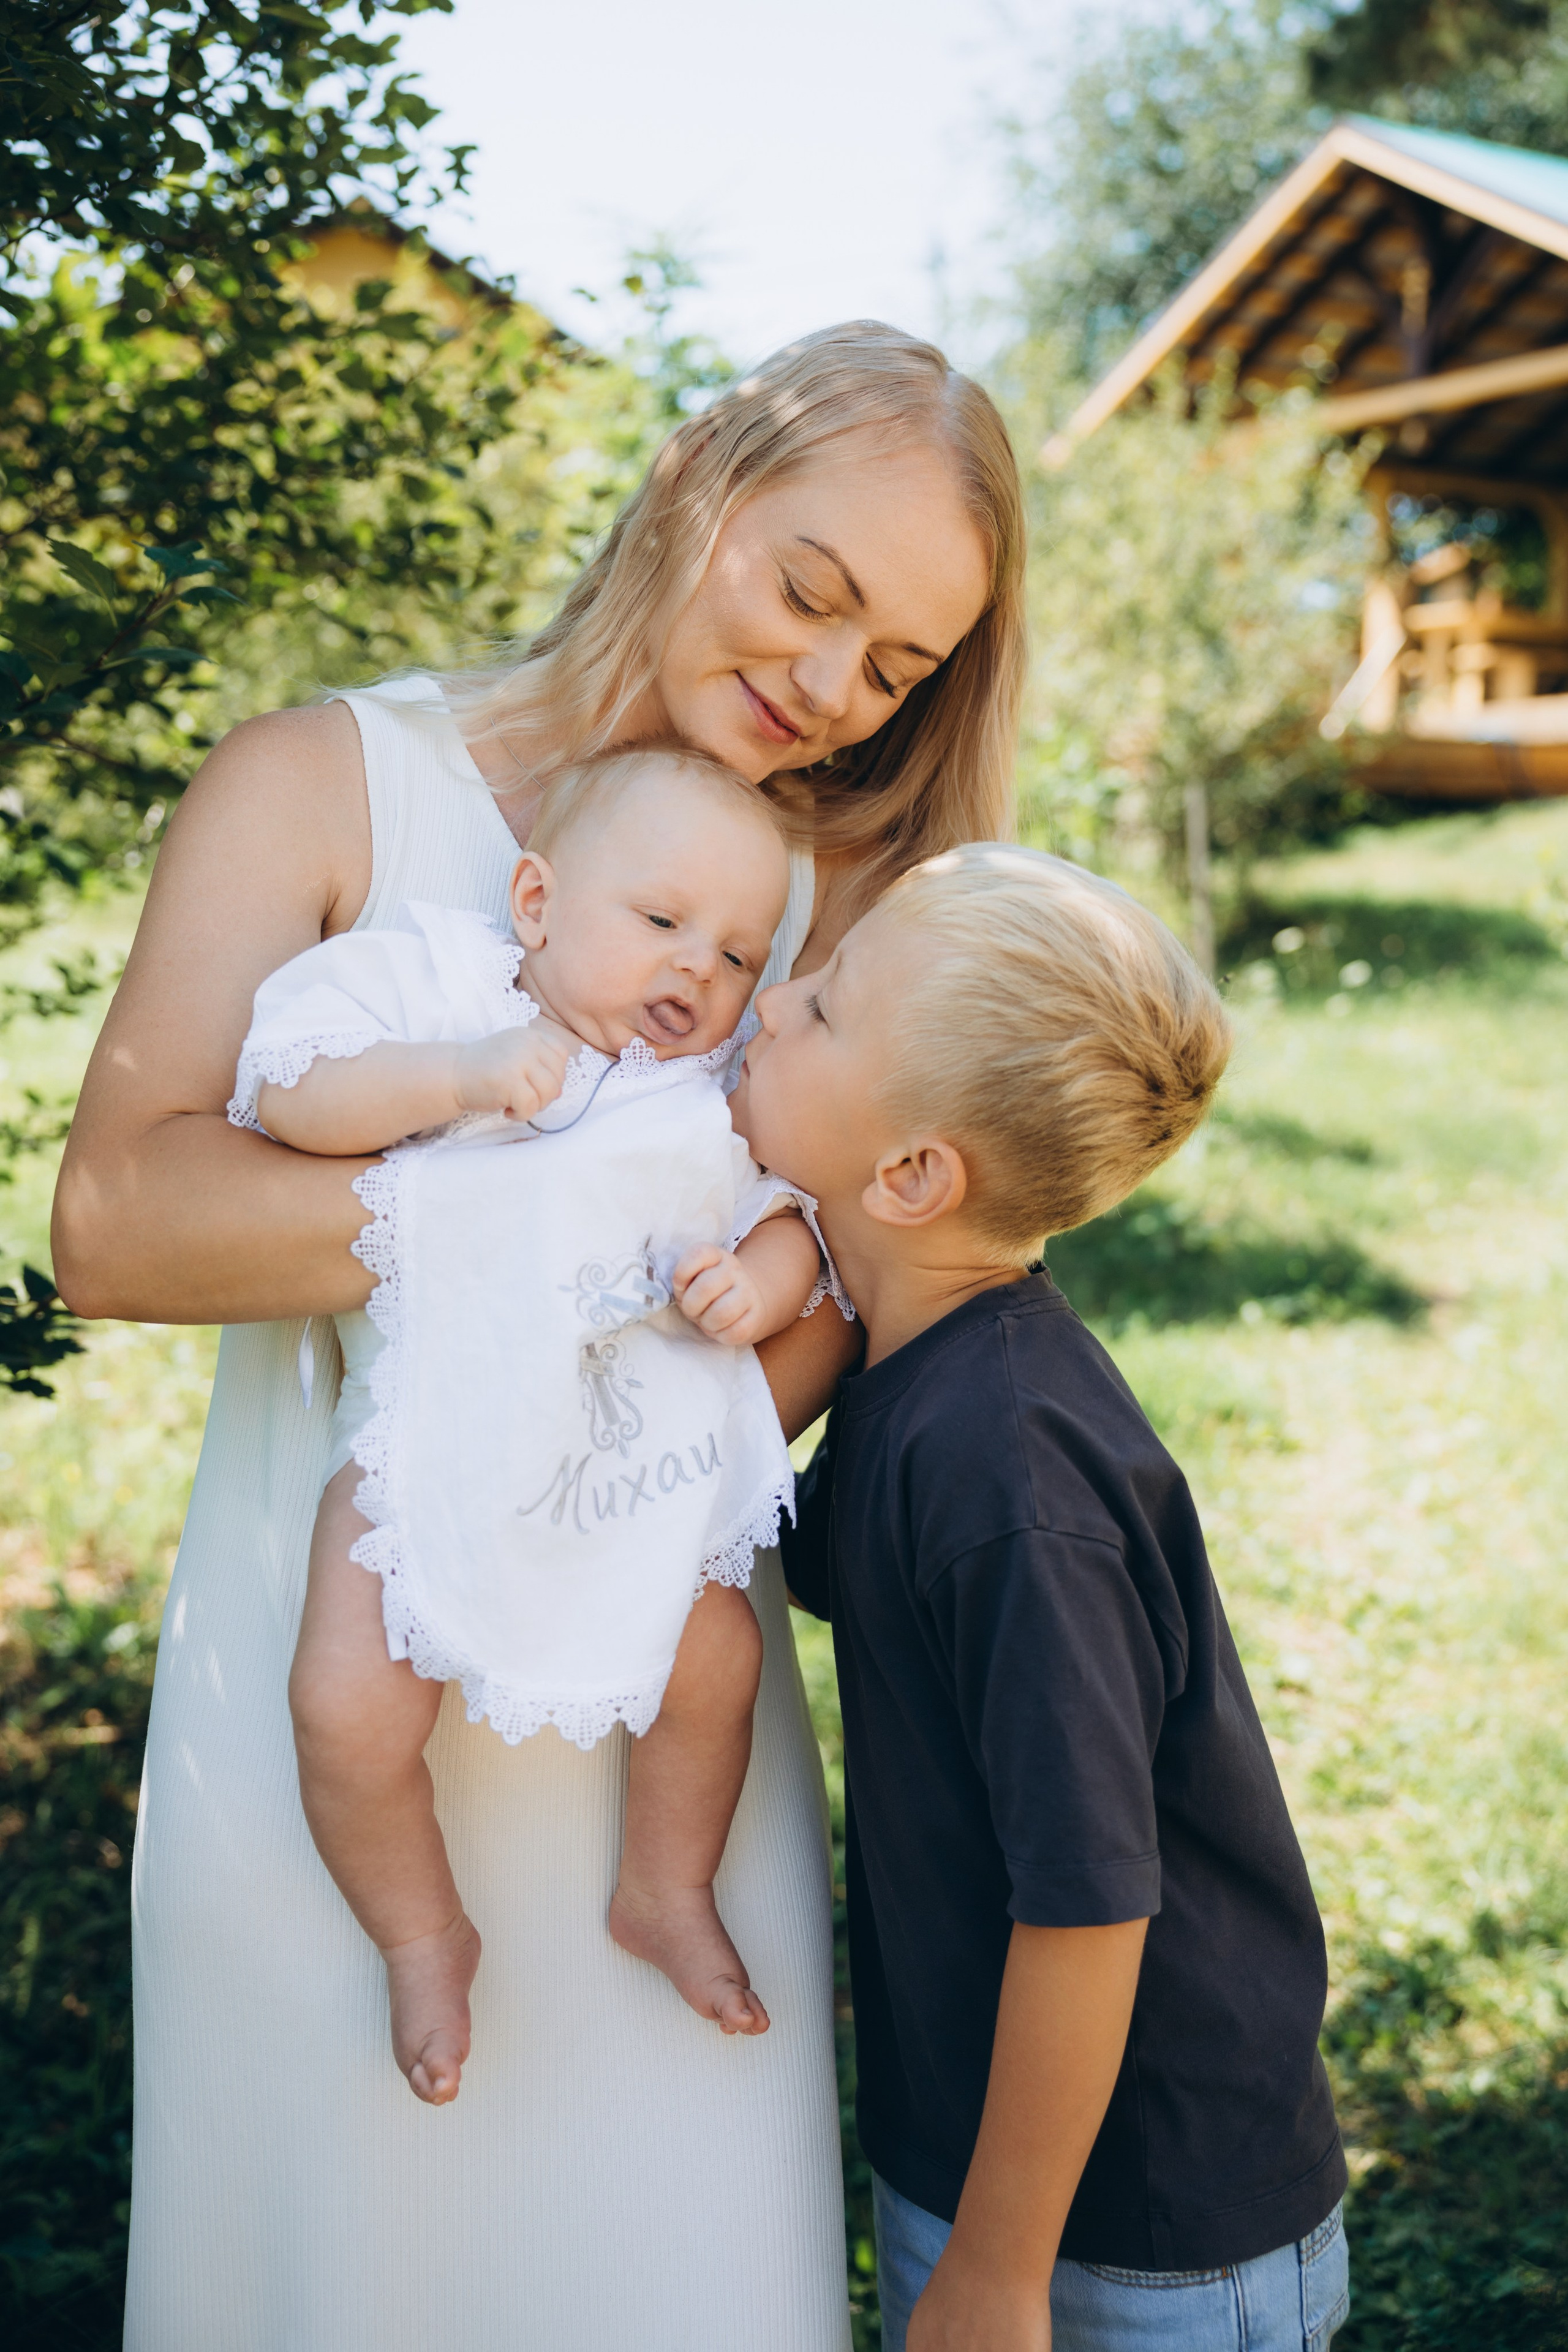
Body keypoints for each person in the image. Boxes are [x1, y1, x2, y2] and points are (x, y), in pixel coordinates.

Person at [51, 321, 1025, 2352]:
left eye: (895, 665)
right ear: (695, 481)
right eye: (812, 593)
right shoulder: (322, 784)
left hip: (664, 1755)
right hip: (327, 1721)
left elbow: (837, 1288)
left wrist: (719, 1328)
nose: (831, 690)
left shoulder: (824, 901)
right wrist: (543, 1217)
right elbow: (119, 1223)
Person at [752, 844, 1351, 2352]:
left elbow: (1087, 1901)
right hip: (987, 2163)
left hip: (1124, 2230)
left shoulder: (1006, 1473)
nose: (771, 1003)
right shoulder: (924, 1361)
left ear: (909, 1174)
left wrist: (1002, 2271)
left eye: (821, 1008)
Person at [239, 746, 840, 2098]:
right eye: (662, 921)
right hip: (439, 1431)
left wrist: (759, 1283)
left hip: (624, 1462)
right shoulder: (444, 991)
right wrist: (458, 1077)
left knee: (716, 1664)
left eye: (741, 954)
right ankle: (418, 1930)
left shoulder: (719, 1087)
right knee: (341, 1705)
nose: (701, 969)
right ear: (534, 902)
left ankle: (664, 1887)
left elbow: (799, 1215)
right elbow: (289, 1092)